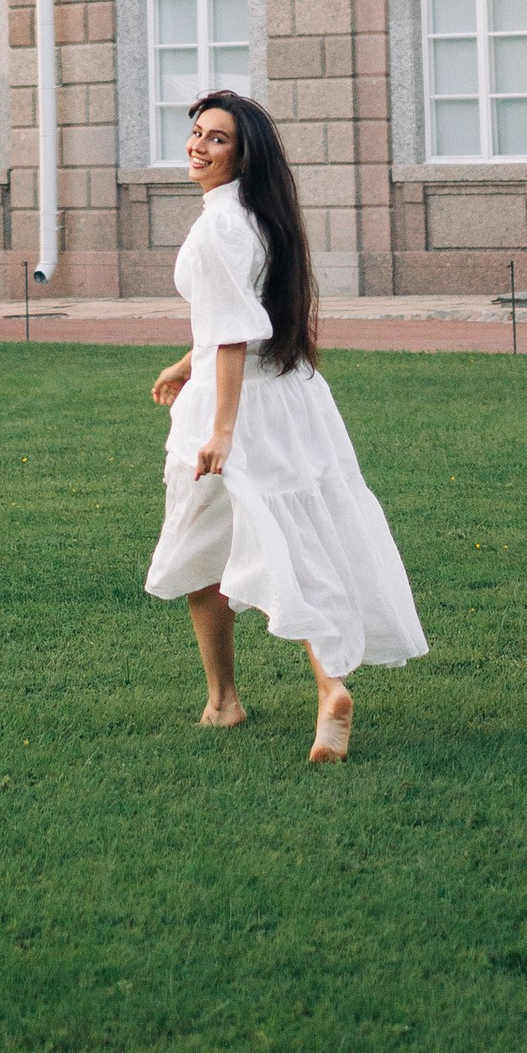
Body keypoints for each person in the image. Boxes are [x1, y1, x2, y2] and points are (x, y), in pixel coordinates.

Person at [143, 89, 426, 760]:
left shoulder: (218, 225)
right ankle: (322, 685)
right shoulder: (258, 215)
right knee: (288, 541)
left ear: (242, 156)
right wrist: (189, 361)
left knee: (199, 550)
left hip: (238, 406)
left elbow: (237, 331)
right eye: (198, 133)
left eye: (217, 139)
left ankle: (226, 701)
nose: (199, 146)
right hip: (289, 393)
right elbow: (241, 314)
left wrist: (222, 428)